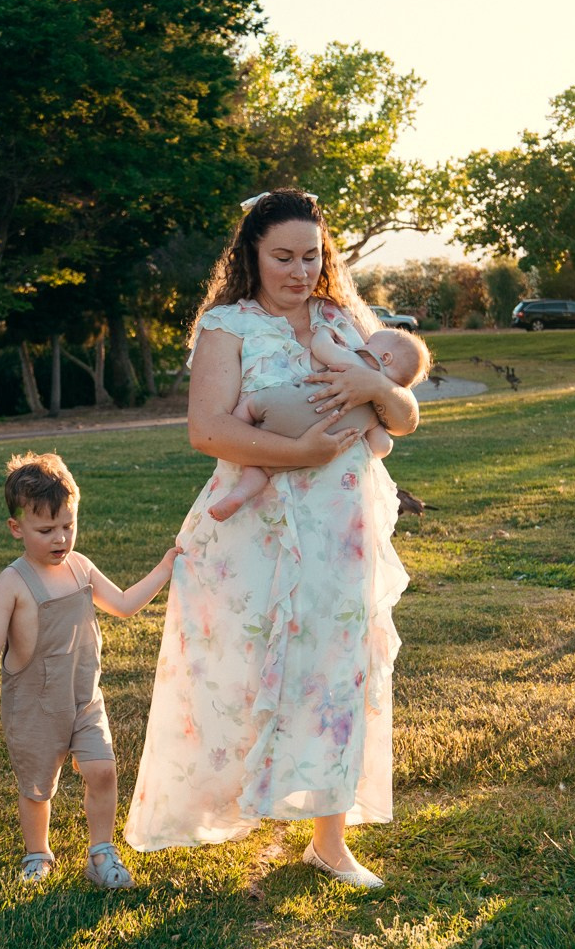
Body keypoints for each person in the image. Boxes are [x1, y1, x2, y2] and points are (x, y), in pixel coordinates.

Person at [124, 190, 417, 887]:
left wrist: (377, 382)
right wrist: (304, 455)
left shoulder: (342, 319)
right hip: (257, 527)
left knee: (338, 668)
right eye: (282, 256)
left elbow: (401, 418)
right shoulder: (228, 326)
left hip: (341, 528)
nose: (298, 270)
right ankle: (228, 802)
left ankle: (330, 839)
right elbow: (208, 431)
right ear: (250, 253)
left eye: (311, 256)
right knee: (244, 666)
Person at [0, 452, 178, 885]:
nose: (60, 538)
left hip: (83, 698)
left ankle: (101, 853)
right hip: (35, 706)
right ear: (16, 528)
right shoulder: (13, 581)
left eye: (68, 526)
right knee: (38, 787)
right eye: (46, 530)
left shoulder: (81, 567)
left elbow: (121, 604)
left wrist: (165, 568)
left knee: (103, 770)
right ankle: (38, 854)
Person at [205, 323, 431, 521]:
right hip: (323, 444)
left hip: (289, 408)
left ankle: (241, 428)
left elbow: (321, 348)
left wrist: (324, 331)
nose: (363, 343)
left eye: (369, 341)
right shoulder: (375, 412)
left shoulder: (354, 363)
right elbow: (381, 447)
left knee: (252, 404)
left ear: (386, 358)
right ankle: (240, 494)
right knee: (263, 469)